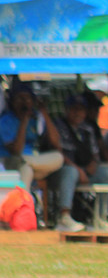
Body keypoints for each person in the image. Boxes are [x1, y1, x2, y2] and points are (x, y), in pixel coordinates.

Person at [0, 81, 83, 232]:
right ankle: (20, 213)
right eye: (20, 98)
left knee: (61, 162)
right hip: (11, 163)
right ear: (12, 100)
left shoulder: (37, 119)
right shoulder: (6, 120)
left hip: (34, 162)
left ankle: (64, 217)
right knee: (25, 168)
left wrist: (44, 113)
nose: (24, 102)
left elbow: (56, 144)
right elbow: (16, 150)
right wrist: (24, 121)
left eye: (27, 98)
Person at [56, 94, 108, 232]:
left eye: (81, 109)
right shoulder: (59, 126)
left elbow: (95, 152)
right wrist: (79, 170)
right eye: (74, 109)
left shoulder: (87, 128)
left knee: (106, 173)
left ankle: (101, 217)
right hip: (65, 169)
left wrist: (93, 164)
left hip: (86, 170)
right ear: (67, 110)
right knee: (71, 171)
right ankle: (64, 217)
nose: (78, 113)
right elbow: (59, 153)